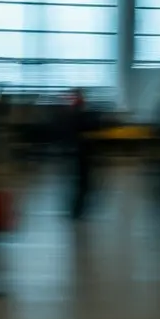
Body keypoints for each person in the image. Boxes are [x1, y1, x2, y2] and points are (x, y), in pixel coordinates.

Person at [66, 88, 99, 221]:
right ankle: (77, 211)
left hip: (80, 153)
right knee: (83, 184)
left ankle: (78, 210)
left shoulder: (75, 111)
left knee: (82, 184)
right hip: (82, 153)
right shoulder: (79, 112)